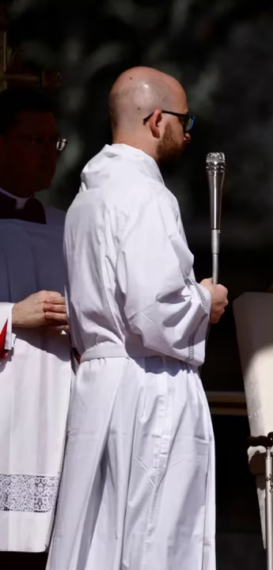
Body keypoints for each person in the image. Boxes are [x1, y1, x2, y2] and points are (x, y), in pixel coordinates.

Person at [46, 67, 228, 570]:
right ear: (155, 120)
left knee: (100, 537)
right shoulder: (146, 195)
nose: (188, 132)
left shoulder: (87, 198)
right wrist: (204, 301)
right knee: (153, 539)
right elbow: (154, 310)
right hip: (148, 385)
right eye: (183, 119)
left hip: (102, 383)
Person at [0, 88, 71, 570]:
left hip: (53, 407)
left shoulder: (69, 227)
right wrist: (9, 317)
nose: (48, 153)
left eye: (54, 141)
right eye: (34, 140)